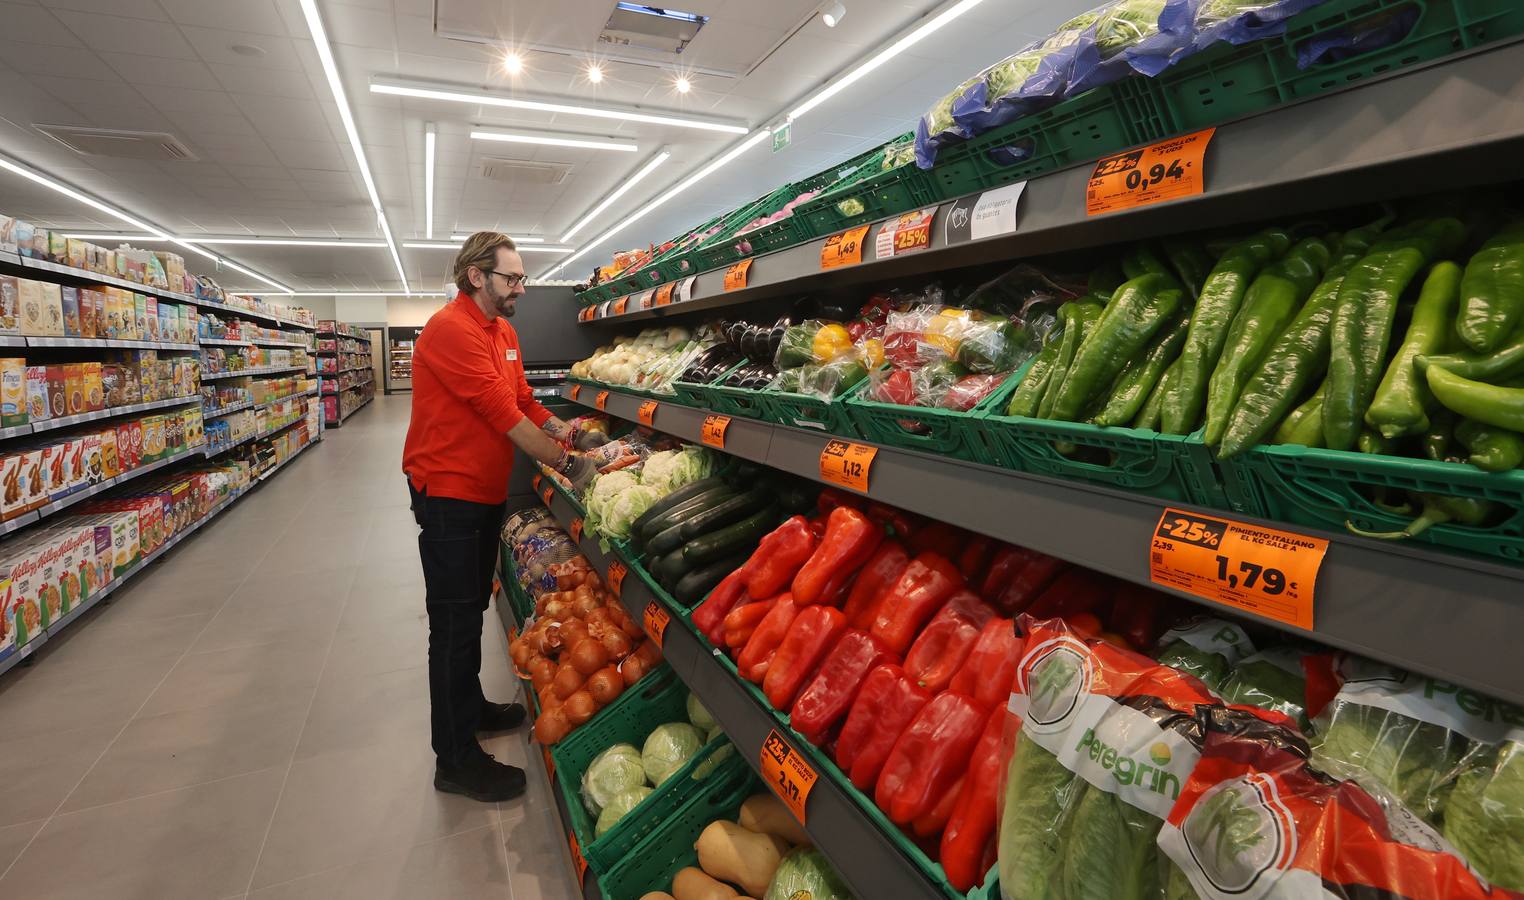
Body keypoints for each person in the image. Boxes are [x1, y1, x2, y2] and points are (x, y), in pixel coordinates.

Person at [402, 231, 608, 802]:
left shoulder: (505, 332)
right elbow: (503, 419)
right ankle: (455, 758)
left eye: (522, 278)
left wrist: (569, 429)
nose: (522, 287)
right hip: (448, 495)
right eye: (512, 278)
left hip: (484, 493)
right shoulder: (451, 331)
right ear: (476, 276)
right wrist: (570, 465)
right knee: (452, 625)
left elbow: (524, 403)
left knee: (470, 608)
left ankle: (468, 706)